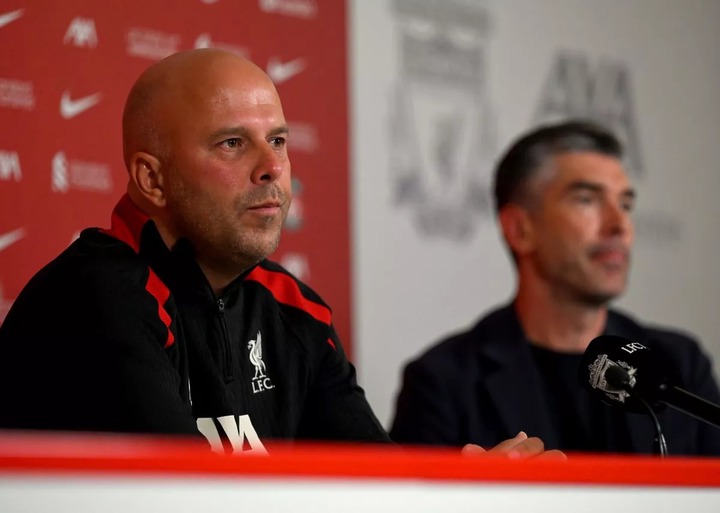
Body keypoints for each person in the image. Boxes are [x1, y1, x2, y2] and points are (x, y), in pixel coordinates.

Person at [0, 49, 557, 458]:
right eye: (232, 143)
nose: (271, 166)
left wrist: (454, 492)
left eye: (280, 141)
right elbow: (182, 501)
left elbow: (374, 488)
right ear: (152, 178)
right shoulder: (97, 298)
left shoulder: (295, 311)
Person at [390, 120, 720, 456]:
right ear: (520, 229)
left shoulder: (678, 365)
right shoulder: (443, 381)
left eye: (625, 204)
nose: (619, 225)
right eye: (587, 200)